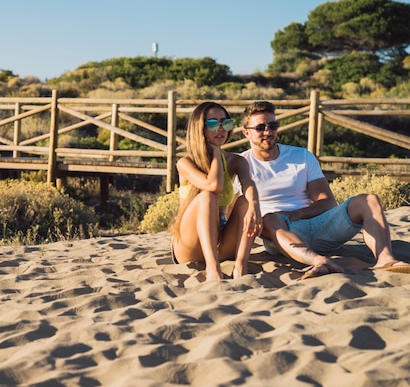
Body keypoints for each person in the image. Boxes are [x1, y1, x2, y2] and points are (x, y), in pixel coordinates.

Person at [240, 100, 410, 278]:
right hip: (279, 233)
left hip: (317, 224)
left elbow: (327, 202)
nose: (268, 132)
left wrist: (296, 214)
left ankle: (385, 259)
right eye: (260, 127)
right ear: (246, 132)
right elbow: (235, 213)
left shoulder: (301, 156)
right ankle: (319, 262)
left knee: (369, 200)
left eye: (273, 125)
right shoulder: (241, 164)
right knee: (270, 218)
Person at [170, 102, 261, 280]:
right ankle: (213, 269)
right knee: (208, 197)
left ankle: (241, 266)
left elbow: (249, 184)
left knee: (245, 201)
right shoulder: (185, 163)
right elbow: (214, 186)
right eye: (212, 124)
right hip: (189, 246)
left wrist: (254, 206)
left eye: (225, 123)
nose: (220, 129)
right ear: (199, 129)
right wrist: (216, 154)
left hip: (221, 241)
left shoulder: (236, 161)